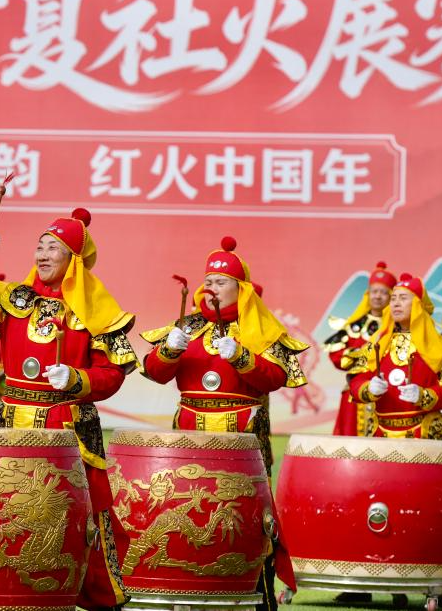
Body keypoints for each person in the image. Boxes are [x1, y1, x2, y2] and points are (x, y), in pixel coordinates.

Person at [0, 208, 136, 611]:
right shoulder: (16, 300)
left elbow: (113, 374)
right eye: (39, 246)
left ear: (73, 258)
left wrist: (76, 378)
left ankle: (101, 597)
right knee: (0, 509)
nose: (42, 254)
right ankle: (3, 590)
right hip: (11, 421)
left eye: (53, 247)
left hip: (68, 426)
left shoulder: (97, 310)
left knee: (86, 513)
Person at [139, 237, 306, 611]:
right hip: (190, 437)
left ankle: (256, 597)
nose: (211, 287)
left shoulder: (258, 327)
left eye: (221, 282)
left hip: (241, 439)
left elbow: (276, 377)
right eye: (208, 281)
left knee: (247, 518)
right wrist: (169, 349)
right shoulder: (188, 326)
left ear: (240, 288)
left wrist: (243, 356)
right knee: (188, 511)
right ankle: (185, 592)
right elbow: (154, 372)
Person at [348, 273, 442, 440]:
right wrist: (368, 388)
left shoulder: (437, 344)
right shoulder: (377, 342)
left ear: (418, 304)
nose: (396, 303)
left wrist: (423, 395)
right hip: (381, 434)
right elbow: (356, 380)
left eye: (403, 298)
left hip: (424, 433)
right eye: (393, 298)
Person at [323, 262, 395, 437]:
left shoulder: (397, 327)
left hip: (388, 393)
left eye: (383, 292)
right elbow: (336, 356)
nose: (378, 296)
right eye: (374, 291)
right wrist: (361, 356)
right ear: (368, 294)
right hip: (354, 394)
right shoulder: (354, 326)